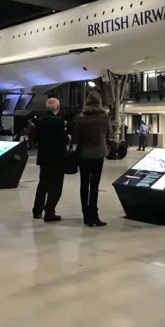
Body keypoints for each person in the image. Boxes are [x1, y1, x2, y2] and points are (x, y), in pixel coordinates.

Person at [72, 90, 112, 227]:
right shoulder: (104, 117)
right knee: (94, 185)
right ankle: (94, 215)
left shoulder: (80, 117)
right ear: (99, 102)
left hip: (83, 154)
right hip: (98, 154)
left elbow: (75, 138)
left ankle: (85, 215)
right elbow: (109, 134)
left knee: (84, 185)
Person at [33, 98, 69, 222]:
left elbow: (36, 139)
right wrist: (68, 137)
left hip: (43, 158)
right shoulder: (59, 122)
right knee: (56, 186)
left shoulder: (39, 121)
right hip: (57, 159)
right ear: (57, 107)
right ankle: (50, 212)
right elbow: (63, 140)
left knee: (42, 185)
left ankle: (37, 210)